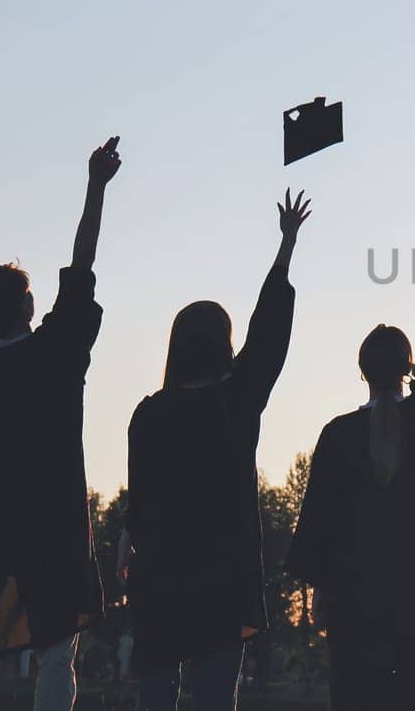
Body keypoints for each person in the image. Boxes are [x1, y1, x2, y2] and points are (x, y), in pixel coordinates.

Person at [0, 136, 123, 711]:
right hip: (54, 525)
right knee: (58, 654)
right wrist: (96, 187)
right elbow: (82, 265)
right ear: (28, 306)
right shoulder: (56, 352)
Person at [118, 189, 310, 711]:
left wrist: (127, 545)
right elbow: (268, 334)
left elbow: (140, 496)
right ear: (224, 345)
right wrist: (286, 248)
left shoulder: (150, 413)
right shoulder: (237, 401)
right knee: (214, 696)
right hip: (221, 573)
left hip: (161, 572)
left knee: (155, 695)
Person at [286, 206, 415, 711]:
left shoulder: (337, 436)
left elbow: (320, 528)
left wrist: (324, 596)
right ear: (409, 368)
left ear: (361, 370)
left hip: (355, 609)